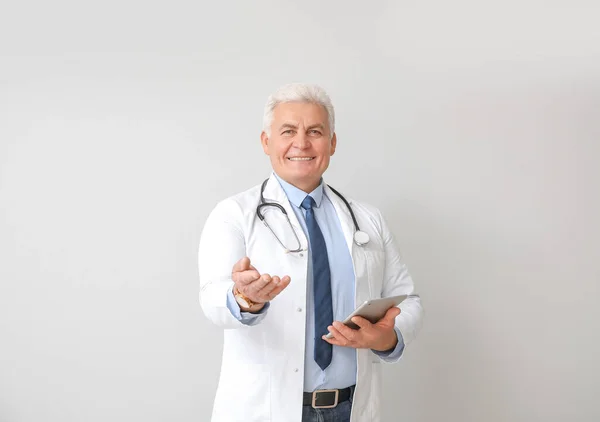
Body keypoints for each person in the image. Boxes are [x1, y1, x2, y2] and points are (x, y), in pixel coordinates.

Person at [198, 83, 423, 422]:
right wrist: (245, 299)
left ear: (331, 143)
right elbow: (212, 298)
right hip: (266, 410)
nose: (301, 143)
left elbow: (407, 300)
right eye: (288, 131)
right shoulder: (233, 214)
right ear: (266, 142)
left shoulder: (367, 219)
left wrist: (387, 336)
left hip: (350, 409)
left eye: (315, 132)